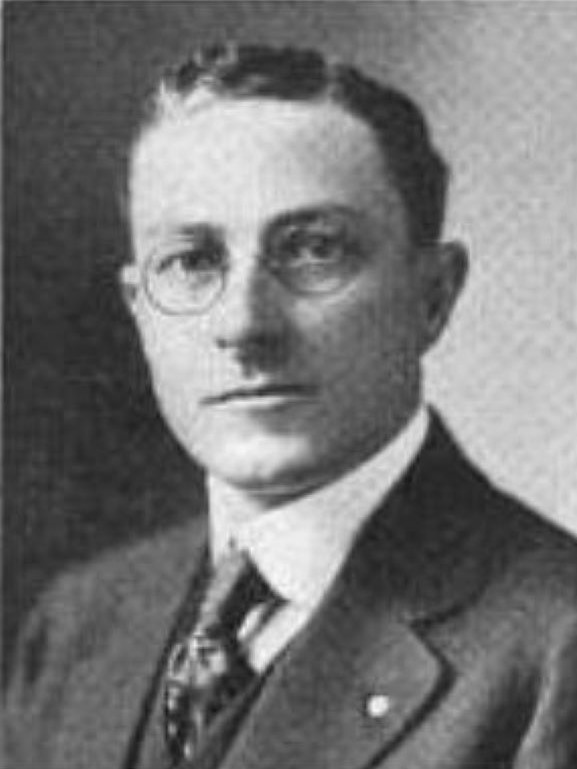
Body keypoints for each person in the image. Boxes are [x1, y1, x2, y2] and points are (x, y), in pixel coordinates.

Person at [5, 43, 577, 769]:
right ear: (139, 309)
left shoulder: (555, 647)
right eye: (191, 261)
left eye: (314, 250)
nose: (244, 324)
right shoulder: (79, 625)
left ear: (432, 296)